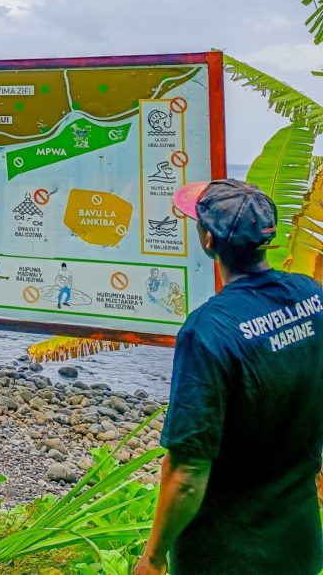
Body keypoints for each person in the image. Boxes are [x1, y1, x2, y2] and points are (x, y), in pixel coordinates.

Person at [135, 179, 323, 574]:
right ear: (266, 239)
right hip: (298, 543)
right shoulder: (312, 298)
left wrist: (152, 559)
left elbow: (187, 472)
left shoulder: (208, 331)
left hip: (226, 554)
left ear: (208, 240)